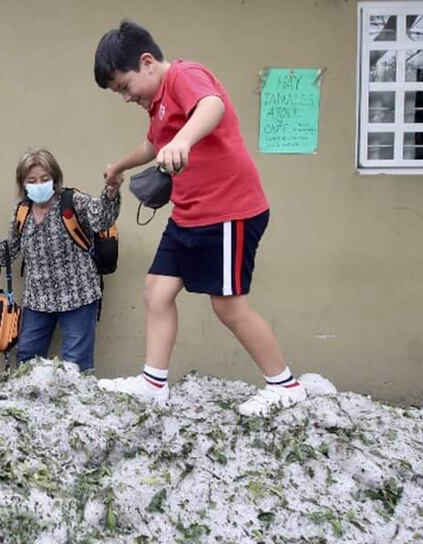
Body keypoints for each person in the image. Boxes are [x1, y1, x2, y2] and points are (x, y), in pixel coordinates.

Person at [92, 20, 307, 417]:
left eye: (124, 86)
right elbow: (152, 143)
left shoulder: (185, 76)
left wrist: (184, 140)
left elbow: (212, 105)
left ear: (147, 63)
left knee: (227, 305)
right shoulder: (156, 105)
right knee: (157, 290)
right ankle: (152, 384)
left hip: (230, 211)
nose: (124, 97)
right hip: (190, 214)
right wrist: (118, 167)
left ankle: (285, 385)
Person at [0, 148, 121, 372]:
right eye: (32, 180)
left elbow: (103, 219)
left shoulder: (73, 201)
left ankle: (73, 407)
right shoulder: (22, 211)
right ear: (23, 184)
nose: (38, 184)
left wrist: (111, 191)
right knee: (27, 361)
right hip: (38, 301)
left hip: (78, 297)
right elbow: (10, 254)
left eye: (44, 179)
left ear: (55, 179)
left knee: (75, 366)